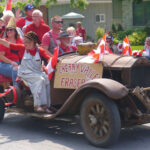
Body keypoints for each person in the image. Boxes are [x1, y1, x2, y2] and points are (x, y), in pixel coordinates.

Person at [0, 31, 52, 113]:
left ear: (34, 42)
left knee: (47, 80)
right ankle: (37, 105)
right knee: (40, 80)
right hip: (25, 73)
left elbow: (48, 58)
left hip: (36, 72)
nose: (25, 44)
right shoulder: (22, 48)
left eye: (28, 42)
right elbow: (8, 44)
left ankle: (46, 106)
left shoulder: (40, 50)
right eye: (25, 42)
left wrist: (49, 65)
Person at [0, 17, 23, 85]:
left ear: (15, 31)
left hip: (18, 63)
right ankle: (16, 89)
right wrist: (11, 62)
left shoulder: (20, 41)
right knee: (15, 69)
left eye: (11, 30)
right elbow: (1, 56)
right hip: (5, 64)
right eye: (7, 30)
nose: (9, 31)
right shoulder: (4, 42)